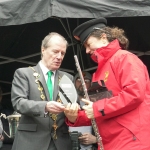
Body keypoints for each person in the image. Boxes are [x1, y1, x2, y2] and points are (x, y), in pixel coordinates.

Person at [65, 17, 150, 150]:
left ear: (103, 37)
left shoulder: (125, 58)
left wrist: (95, 109)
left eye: (88, 44)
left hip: (131, 141)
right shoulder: (98, 72)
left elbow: (134, 94)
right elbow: (98, 109)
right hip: (109, 142)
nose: (87, 51)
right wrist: (75, 117)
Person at [11, 32, 76, 150]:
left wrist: (73, 114)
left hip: (60, 143)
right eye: (55, 51)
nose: (59, 57)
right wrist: (45, 106)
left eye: (63, 53)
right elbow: (18, 103)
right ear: (43, 50)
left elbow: (71, 108)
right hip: (30, 142)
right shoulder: (24, 73)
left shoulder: (68, 78)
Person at [70, 71, 97, 150]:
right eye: (79, 79)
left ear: (91, 84)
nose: (82, 82)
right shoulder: (68, 102)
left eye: (86, 81)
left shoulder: (97, 103)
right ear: (74, 83)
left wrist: (96, 139)